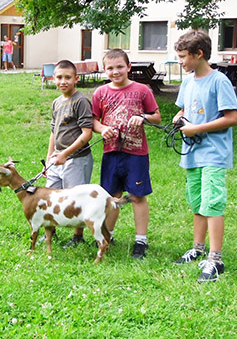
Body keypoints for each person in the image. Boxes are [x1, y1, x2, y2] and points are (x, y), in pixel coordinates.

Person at [172, 30, 237, 283]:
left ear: (199, 54)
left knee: (213, 204)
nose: (181, 61)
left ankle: (215, 259)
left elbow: (231, 118)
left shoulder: (219, 81)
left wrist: (197, 128)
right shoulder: (188, 81)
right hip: (192, 153)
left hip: (213, 153)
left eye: (183, 57)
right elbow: (184, 107)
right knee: (197, 202)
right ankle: (197, 249)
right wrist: (179, 117)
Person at [92, 49, 161, 259]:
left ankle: (141, 241)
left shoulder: (142, 90)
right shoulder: (100, 93)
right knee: (112, 197)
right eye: (110, 68)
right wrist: (103, 129)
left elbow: (157, 116)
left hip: (136, 153)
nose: (116, 71)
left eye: (120, 67)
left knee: (138, 196)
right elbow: (93, 121)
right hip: (111, 152)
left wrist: (143, 118)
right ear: (105, 70)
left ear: (128, 67)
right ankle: (107, 236)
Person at [45, 59, 94, 248]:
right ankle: (51, 232)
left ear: (76, 79)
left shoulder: (80, 101)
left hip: (76, 160)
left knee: (75, 199)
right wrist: (50, 156)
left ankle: (77, 236)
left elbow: (87, 134)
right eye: (59, 77)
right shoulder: (56, 102)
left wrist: (65, 154)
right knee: (51, 196)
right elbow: (53, 132)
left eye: (67, 77)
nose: (63, 81)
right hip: (57, 160)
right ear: (53, 79)